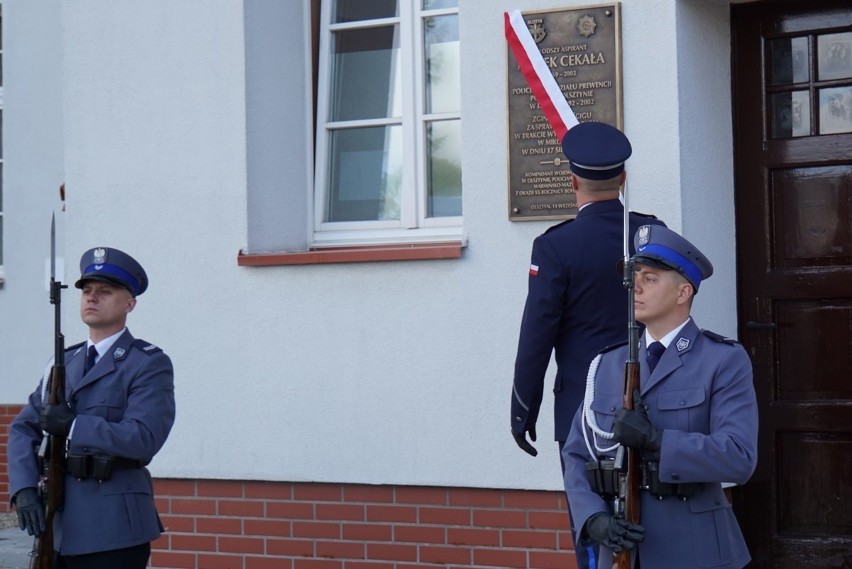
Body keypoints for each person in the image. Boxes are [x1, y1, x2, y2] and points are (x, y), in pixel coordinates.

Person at [511, 121, 665, 568]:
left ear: (573, 181)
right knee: (652, 528)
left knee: (594, 530)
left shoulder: (556, 247)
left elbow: (536, 338)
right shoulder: (649, 235)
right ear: (623, 179)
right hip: (652, 404)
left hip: (584, 415)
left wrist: (523, 409)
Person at [562, 225, 758, 568]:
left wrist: (657, 440)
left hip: (695, 548)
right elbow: (576, 452)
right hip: (622, 545)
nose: (634, 286)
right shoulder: (609, 364)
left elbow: (739, 457)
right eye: (634, 275)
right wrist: (593, 518)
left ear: (683, 292)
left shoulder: (722, 360)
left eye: (650, 278)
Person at [8, 247, 176, 569]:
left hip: (113, 526)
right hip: (58, 522)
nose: (91, 298)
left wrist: (73, 425)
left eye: (105, 291)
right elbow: (23, 427)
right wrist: (25, 487)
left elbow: (144, 437)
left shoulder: (148, 363)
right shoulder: (63, 363)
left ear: (130, 303)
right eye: (86, 290)